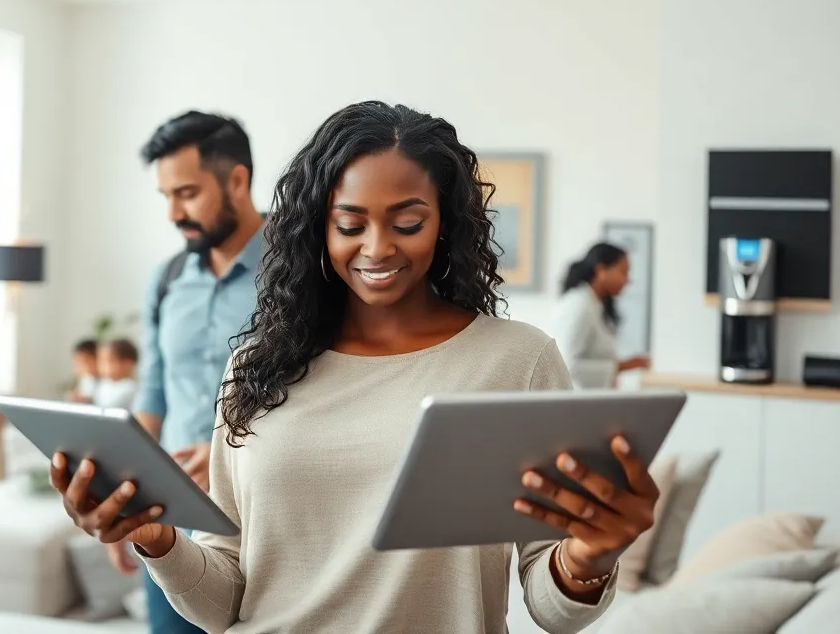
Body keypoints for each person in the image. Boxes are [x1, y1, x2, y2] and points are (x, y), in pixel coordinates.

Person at [52, 102, 659, 633]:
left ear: (445, 222)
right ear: (318, 227)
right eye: (350, 224)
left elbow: (550, 608)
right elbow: (225, 602)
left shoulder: (517, 361)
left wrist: (586, 558)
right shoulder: (253, 367)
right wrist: (153, 536)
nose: (376, 249)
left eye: (408, 223)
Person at [105, 111, 266, 632]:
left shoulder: (301, 276)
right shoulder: (168, 277)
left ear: (237, 181)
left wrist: (233, 450)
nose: (174, 212)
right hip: (169, 520)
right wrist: (125, 495)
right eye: (166, 196)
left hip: (258, 521)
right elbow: (155, 387)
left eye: (188, 193)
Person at [551, 242, 651, 390]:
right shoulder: (580, 305)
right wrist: (621, 366)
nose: (627, 281)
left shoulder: (595, 305)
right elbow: (565, 364)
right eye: (623, 272)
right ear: (601, 270)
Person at [69, 339, 140, 410]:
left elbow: (108, 409)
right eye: (100, 360)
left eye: (108, 361)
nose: (101, 365)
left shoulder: (129, 388)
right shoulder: (104, 384)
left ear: (127, 364)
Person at [65, 338, 101, 402]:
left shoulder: (107, 382)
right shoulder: (86, 379)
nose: (80, 366)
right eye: (77, 362)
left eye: (84, 361)